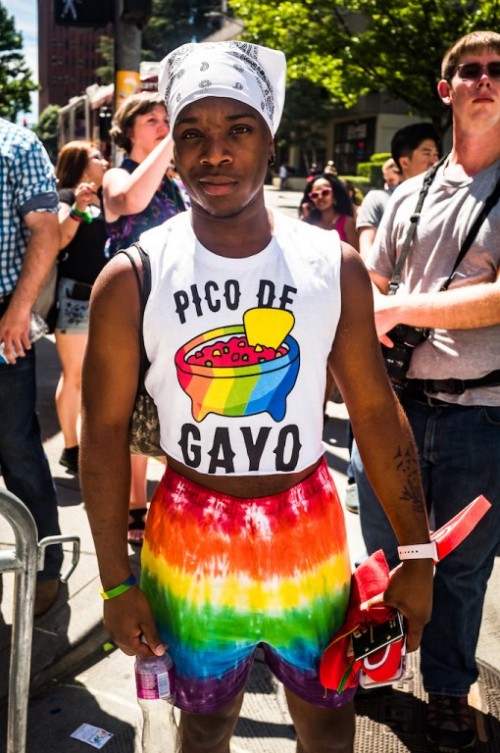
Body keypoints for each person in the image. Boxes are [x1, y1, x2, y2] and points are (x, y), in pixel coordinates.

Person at [81, 41, 433, 753]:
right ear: (171, 150)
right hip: (188, 531)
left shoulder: (332, 265)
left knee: (330, 722)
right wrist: (116, 584)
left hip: (307, 525)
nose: (215, 153)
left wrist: (417, 551)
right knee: (205, 724)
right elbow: (104, 430)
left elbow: (372, 409)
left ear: (271, 139)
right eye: (193, 134)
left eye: (238, 128)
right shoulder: (130, 278)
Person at [352, 30, 500, 752]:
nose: (483, 80)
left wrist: (401, 308)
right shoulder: (405, 195)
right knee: (384, 554)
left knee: (463, 568)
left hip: (483, 413)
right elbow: (374, 285)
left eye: (497, 71)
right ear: (447, 90)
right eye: (469, 71)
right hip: (395, 409)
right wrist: (373, 307)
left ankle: (446, 689)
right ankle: (377, 668)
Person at [103, 92, 186, 545]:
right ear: (128, 130)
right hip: (130, 313)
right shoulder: (119, 174)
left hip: (171, 313)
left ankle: (165, 502)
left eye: (167, 118)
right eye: (151, 119)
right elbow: (131, 201)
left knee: (169, 407)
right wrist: (174, 136)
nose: (161, 124)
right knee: (131, 411)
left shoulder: (174, 182)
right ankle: (136, 504)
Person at [0, 118, 63, 616]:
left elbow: (45, 230)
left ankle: (45, 568)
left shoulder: (16, 143)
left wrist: (20, 310)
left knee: (18, 450)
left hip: (3, 315)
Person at [54, 141, 109, 474]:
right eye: (96, 157)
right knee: (74, 376)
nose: (104, 161)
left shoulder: (108, 199)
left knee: (101, 378)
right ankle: (70, 448)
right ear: (79, 164)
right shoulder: (65, 196)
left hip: (109, 299)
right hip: (76, 298)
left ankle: (95, 443)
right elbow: (59, 239)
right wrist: (77, 206)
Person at [357, 126, 439, 260]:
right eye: (427, 153)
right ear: (405, 162)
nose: (434, 161)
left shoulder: (443, 199)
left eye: (436, 154)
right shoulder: (378, 199)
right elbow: (367, 255)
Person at [300, 173, 359, 250]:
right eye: (314, 195)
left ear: (334, 194)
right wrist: (304, 219)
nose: (320, 197)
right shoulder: (308, 221)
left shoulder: (347, 222)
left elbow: (356, 254)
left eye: (325, 193)